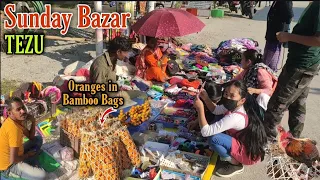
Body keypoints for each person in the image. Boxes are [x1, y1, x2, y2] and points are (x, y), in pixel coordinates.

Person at [264, 1, 320, 139]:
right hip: (302, 63)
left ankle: (266, 144)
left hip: (301, 65)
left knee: (276, 106)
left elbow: (318, 40)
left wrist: (288, 36)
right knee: (297, 104)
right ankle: (295, 141)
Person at [192, 80, 267, 177]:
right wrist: (206, 99)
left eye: (232, 95)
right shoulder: (235, 104)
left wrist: (200, 109)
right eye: (226, 93)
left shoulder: (236, 117)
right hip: (243, 142)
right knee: (218, 118)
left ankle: (235, 164)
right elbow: (216, 110)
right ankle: (230, 153)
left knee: (213, 138)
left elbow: (206, 132)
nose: (227, 97)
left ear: (242, 100)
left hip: (248, 154)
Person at [90, 37, 147, 103]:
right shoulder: (100, 65)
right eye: (125, 52)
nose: (126, 55)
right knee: (142, 95)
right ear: (118, 52)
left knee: (141, 94)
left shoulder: (112, 59)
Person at [0, 97, 46, 180]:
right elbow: (13, 160)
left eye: (23, 107)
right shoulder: (13, 129)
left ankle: (27, 159)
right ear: (10, 113)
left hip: (17, 153)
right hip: (9, 165)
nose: (23, 111)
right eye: (18, 110)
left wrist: (33, 121)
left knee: (38, 139)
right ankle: (25, 162)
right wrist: (28, 155)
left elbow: (31, 137)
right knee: (42, 175)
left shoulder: (16, 121)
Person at [263, 1, 293, 72]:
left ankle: (270, 72)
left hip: (276, 33)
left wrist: (283, 29)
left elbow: (289, 15)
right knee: (267, 55)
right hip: (271, 33)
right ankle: (265, 71)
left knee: (272, 55)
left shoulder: (285, 2)